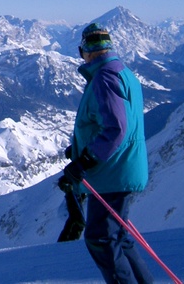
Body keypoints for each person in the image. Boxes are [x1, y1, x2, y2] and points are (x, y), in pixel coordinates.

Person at [58, 23, 154, 284]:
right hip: (123, 168)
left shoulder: (104, 78)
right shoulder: (123, 73)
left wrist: (86, 160)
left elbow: (116, 128)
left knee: (100, 238)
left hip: (112, 173)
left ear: (87, 50)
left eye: (81, 51)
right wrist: (79, 147)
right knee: (117, 237)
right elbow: (121, 122)